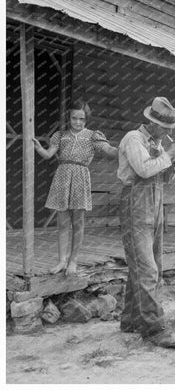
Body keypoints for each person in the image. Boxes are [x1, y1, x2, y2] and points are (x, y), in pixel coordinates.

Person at [117, 96, 175, 349]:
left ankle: (130, 320)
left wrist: (173, 158)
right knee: (147, 269)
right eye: (165, 127)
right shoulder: (133, 139)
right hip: (135, 202)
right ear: (152, 122)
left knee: (147, 264)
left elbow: (165, 178)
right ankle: (155, 330)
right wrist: (168, 153)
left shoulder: (155, 142)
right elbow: (144, 170)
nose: (169, 132)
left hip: (155, 202)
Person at [33, 100, 118, 276]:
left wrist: (125, 148)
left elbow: (109, 150)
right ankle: (62, 261)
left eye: (81, 119)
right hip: (63, 177)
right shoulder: (61, 135)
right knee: (63, 222)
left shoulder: (93, 136)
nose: (77, 122)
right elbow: (49, 154)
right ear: (69, 118)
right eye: (74, 118)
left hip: (80, 178)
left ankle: (73, 261)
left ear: (86, 119)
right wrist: (39, 148)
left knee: (77, 222)